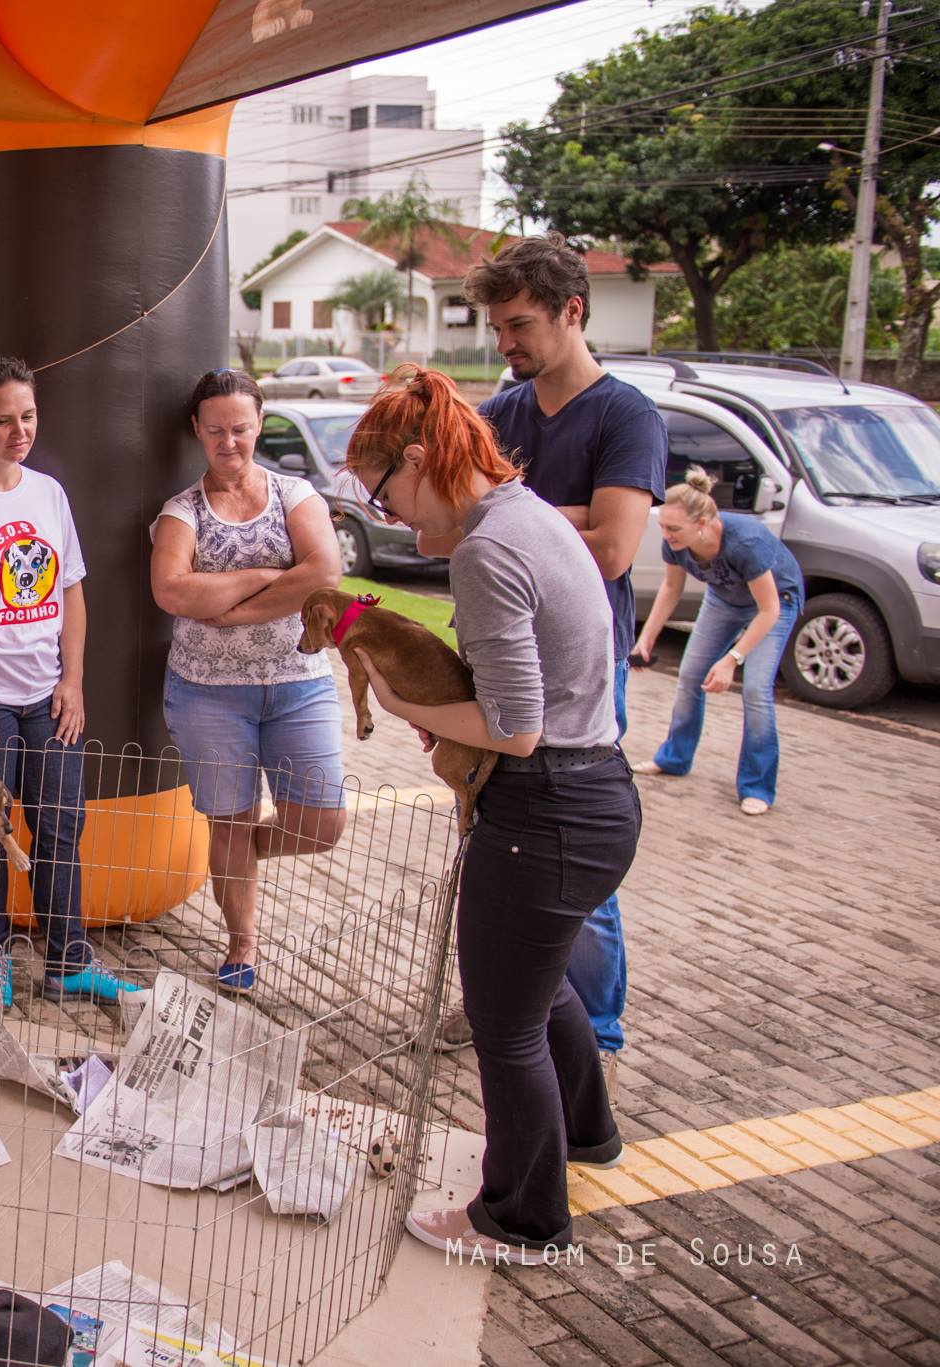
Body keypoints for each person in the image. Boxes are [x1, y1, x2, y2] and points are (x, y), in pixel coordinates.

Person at [343, 366, 640, 1263]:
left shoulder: (486, 549)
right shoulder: (528, 512)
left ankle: (520, 1217)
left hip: (543, 809)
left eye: (383, 492)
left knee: (504, 1027)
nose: (388, 515)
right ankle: (587, 1133)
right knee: (540, 990)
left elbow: (513, 727)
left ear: (424, 457)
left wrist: (405, 708)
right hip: (596, 797)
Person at [458, 233, 666, 1065]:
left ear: (571, 312)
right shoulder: (500, 414)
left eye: (518, 326)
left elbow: (615, 548)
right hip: (499, 653)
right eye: (498, 329)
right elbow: (459, 519)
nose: (504, 344)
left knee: (572, 863)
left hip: (585, 665)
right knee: (504, 843)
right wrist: (562, 517)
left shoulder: (627, 414)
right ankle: (527, 1006)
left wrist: (516, 518)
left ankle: (595, 1031)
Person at [0, 355, 137, 1006]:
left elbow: (70, 588)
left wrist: (72, 680)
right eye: (3, 420)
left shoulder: (48, 492)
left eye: (29, 416)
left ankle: (69, 961)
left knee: (61, 824)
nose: (21, 431)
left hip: (46, 695)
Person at [149, 367, 345, 995]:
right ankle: (242, 944)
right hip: (208, 689)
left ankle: (238, 855)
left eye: (240, 427)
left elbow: (326, 574)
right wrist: (269, 575)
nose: (228, 441)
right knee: (228, 820)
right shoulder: (182, 511)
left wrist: (229, 605)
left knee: (322, 824)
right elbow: (172, 590)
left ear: (259, 423)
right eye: (215, 431)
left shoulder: (295, 495)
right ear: (197, 432)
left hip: (299, 681)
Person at [630, 468, 803, 815]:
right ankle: (675, 758)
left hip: (774, 603)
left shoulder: (745, 543)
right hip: (724, 598)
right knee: (690, 676)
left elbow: (768, 610)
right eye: (663, 526)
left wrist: (732, 659)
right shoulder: (675, 543)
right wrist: (645, 639)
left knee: (755, 691)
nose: (666, 535)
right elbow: (671, 588)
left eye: (674, 529)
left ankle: (757, 786)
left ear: (704, 523)